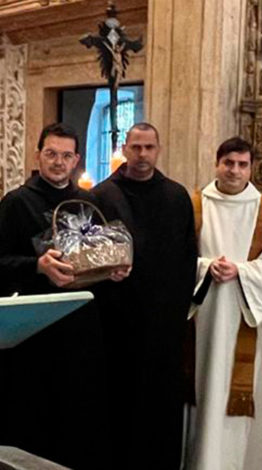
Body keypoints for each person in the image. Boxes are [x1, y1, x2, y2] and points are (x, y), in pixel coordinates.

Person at [0, 123, 125, 468]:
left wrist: (113, 270)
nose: (58, 162)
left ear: (76, 159)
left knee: (79, 409)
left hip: (80, 326)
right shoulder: (17, 202)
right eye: (51, 154)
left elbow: (98, 256)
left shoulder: (88, 202)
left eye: (66, 155)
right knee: (33, 409)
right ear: (38, 156)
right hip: (35, 327)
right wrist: (38, 266)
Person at [91, 122, 196, 468]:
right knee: (119, 402)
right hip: (117, 322)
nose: (142, 155)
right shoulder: (102, 195)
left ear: (158, 149)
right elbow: (90, 256)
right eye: (135, 147)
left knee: (161, 404)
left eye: (149, 147)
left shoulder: (177, 196)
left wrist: (177, 313)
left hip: (164, 325)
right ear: (124, 148)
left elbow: (187, 258)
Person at [185, 137, 262, 470]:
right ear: (216, 163)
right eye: (228, 163)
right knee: (200, 389)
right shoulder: (194, 205)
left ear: (251, 167)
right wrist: (204, 267)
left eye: (242, 164)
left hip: (247, 317)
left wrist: (241, 272)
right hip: (203, 318)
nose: (234, 170)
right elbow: (175, 258)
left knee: (236, 390)